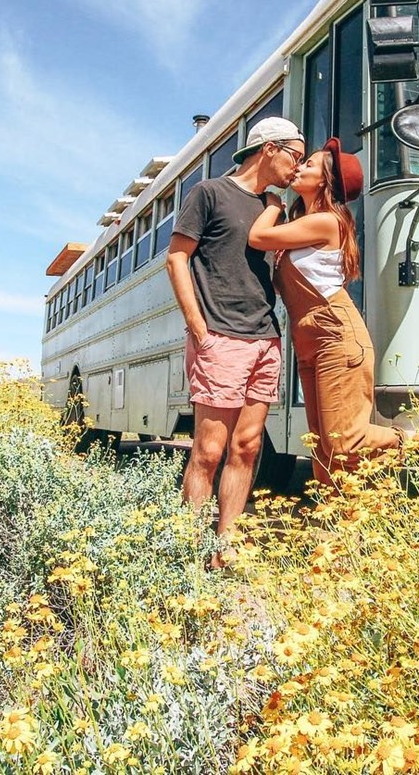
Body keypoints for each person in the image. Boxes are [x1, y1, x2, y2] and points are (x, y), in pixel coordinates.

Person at [166, 117, 305, 567]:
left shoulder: (274, 207)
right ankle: (188, 551)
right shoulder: (209, 193)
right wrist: (198, 327)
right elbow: (177, 259)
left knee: (247, 448)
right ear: (269, 149)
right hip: (220, 336)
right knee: (208, 451)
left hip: (265, 338)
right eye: (295, 156)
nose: (297, 167)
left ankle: (224, 548)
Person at [248, 138, 403, 487]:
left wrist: (272, 202)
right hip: (309, 344)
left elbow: (258, 236)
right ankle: (338, 528)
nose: (299, 167)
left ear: (324, 181)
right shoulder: (303, 227)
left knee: (343, 440)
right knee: (323, 448)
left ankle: (411, 441)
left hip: (337, 336)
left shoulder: (326, 222)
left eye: (309, 165)